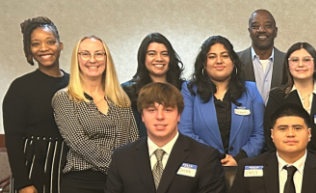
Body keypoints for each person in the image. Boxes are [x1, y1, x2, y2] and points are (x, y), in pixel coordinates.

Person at [52, 35, 138, 193]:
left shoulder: (120, 97)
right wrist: (119, 168)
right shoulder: (64, 98)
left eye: (99, 54)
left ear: (107, 59)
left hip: (122, 183)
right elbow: (79, 142)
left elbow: (133, 139)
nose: (93, 59)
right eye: (85, 54)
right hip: (83, 182)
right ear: (77, 59)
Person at [105, 82, 226, 193]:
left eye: (168, 110)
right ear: (142, 116)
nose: (160, 116)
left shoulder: (205, 157)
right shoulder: (122, 157)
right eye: (152, 110)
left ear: (179, 115)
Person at [3, 17, 69, 193]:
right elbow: (13, 139)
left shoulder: (75, 83)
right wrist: (24, 183)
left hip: (68, 169)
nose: (44, 48)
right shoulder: (20, 87)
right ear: (29, 50)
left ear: (60, 45)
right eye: (36, 44)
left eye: (50, 41)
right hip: (33, 168)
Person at [229, 103, 316, 193]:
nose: (290, 134)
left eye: (297, 128)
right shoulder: (247, 167)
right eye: (283, 128)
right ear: (272, 135)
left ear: (309, 134)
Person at [179, 36, 265, 166]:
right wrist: (215, 156)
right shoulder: (189, 90)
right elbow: (185, 131)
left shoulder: (251, 90)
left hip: (243, 168)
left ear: (233, 61)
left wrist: (238, 158)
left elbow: (260, 133)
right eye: (212, 57)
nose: (219, 61)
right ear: (204, 63)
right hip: (203, 167)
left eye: (224, 56)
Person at [264, 42, 316, 158]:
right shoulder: (276, 96)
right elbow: (270, 136)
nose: (300, 64)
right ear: (288, 65)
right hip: (288, 164)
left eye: (306, 60)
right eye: (295, 60)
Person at [122, 32, 186, 138]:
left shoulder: (185, 89)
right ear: (143, 58)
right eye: (152, 54)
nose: (159, 58)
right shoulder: (126, 91)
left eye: (164, 54)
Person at [237, 9, 286, 104]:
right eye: (255, 26)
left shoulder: (288, 61)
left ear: (275, 31)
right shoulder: (235, 60)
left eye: (267, 26)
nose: (262, 30)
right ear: (249, 31)